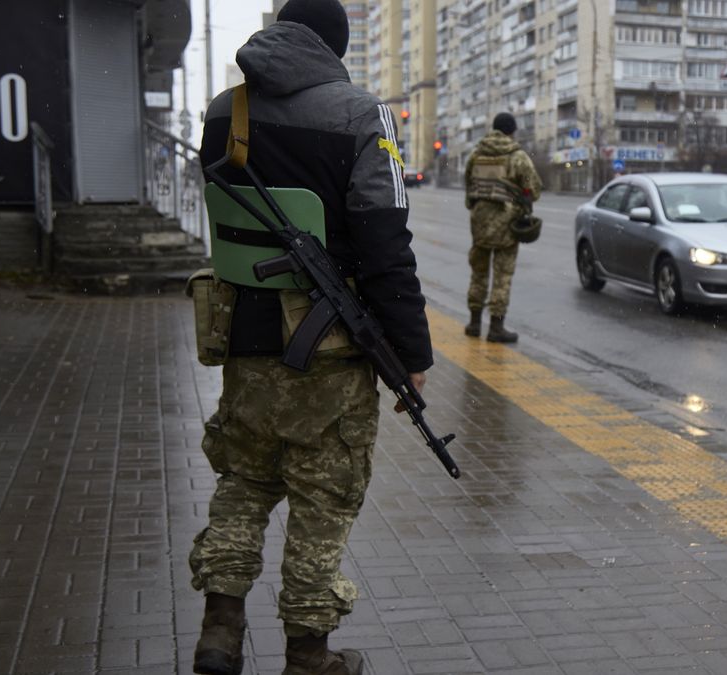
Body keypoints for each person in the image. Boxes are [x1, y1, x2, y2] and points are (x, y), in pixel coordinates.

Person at [191, 1, 432, 673]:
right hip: (328, 352)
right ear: (337, 46)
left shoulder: (222, 112)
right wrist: (411, 355)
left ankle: (219, 629)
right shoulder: (362, 115)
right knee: (322, 497)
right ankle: (307, 655)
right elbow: (387, 248)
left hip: (243, 336)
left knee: (243, 477)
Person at [463, 112, 543, 343]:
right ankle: (496, 327)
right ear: (512, 131)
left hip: (479, 224)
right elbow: (534, 189)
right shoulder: (517, 157)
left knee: (478, 273)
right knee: (502, 276)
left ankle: (474, 323)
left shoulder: (477, 154)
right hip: (507, 225)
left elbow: (468, 186)